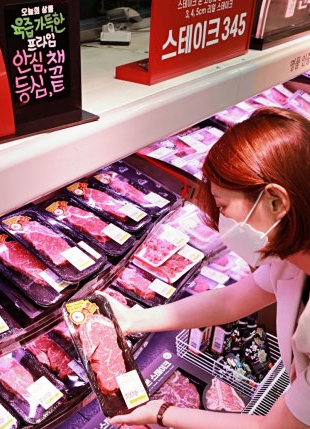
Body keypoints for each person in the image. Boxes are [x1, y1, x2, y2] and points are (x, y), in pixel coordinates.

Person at [104, 107, 310, 429]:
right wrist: (134, 320)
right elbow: (231, 301)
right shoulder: (293, 259)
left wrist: (162, 413)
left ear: (276, 202)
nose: (222, 221)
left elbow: (275, 427)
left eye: (224, 206)